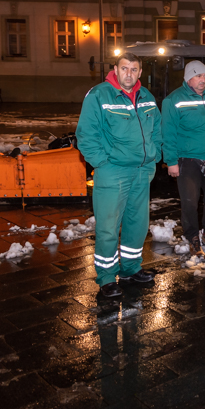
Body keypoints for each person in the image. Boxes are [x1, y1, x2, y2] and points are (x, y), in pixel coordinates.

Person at [76, 52, 163, 298]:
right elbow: (86, 135)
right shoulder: (99, 95)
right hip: (113, 171)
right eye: (124, 68)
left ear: (139, 72)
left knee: (137, 223)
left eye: (134, 69)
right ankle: (106, 277)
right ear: (115, 69)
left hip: (142, 171)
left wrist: (155, 155)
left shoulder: (146, 96)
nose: (129, 74)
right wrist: (102, 163)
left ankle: (130, 268)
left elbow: (156, 128)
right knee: (108, 226)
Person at [161, 61, 205, 255]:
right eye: (198, 76)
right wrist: (171, 161)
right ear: (188, 78)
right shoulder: (174, 100)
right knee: (190, 202)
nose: (203, 80)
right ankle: (192, 237)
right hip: (188, 160)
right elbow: (168, 133)